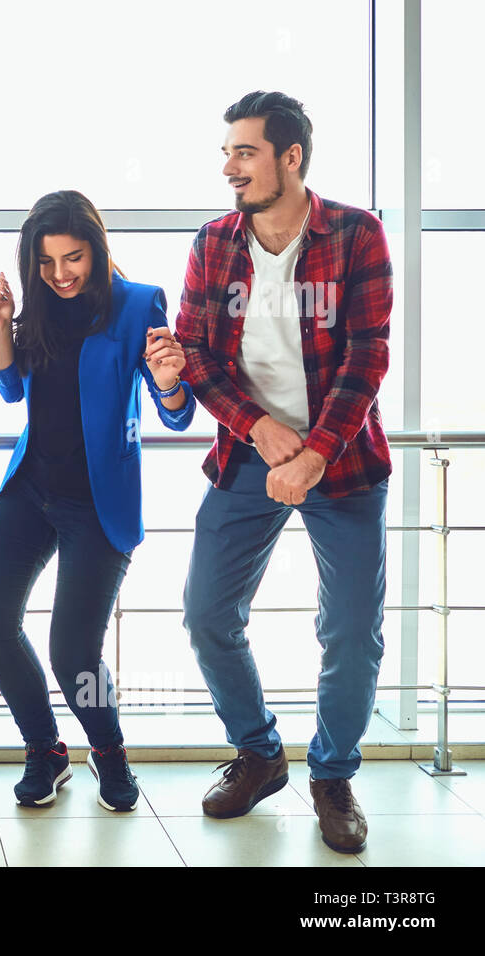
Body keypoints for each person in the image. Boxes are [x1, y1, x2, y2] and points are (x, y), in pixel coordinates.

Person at [177, 91, 393, 854]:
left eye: (246, 152)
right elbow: (196, 354)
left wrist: (314, 452)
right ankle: (260, 754)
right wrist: (263, 430)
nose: (230, 167)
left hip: (345, 461)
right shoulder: (214, 244)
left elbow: (369, 355)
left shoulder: (356, 233)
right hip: (247, 454)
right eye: (228, 151)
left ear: (290, 157)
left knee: (351, 632)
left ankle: (332, 777)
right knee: (206, 614)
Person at [0, 190, 194, 812]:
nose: (62, 274)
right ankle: (44, 749)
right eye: (46, 263)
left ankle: (109, 751)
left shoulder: (137, 304)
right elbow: (12, 388)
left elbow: (175, 415)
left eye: (73, 258)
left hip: (98, 503)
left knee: (73, 652)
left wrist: (172, 381)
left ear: (96, 250)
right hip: (31, 490)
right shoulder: (38, 301)